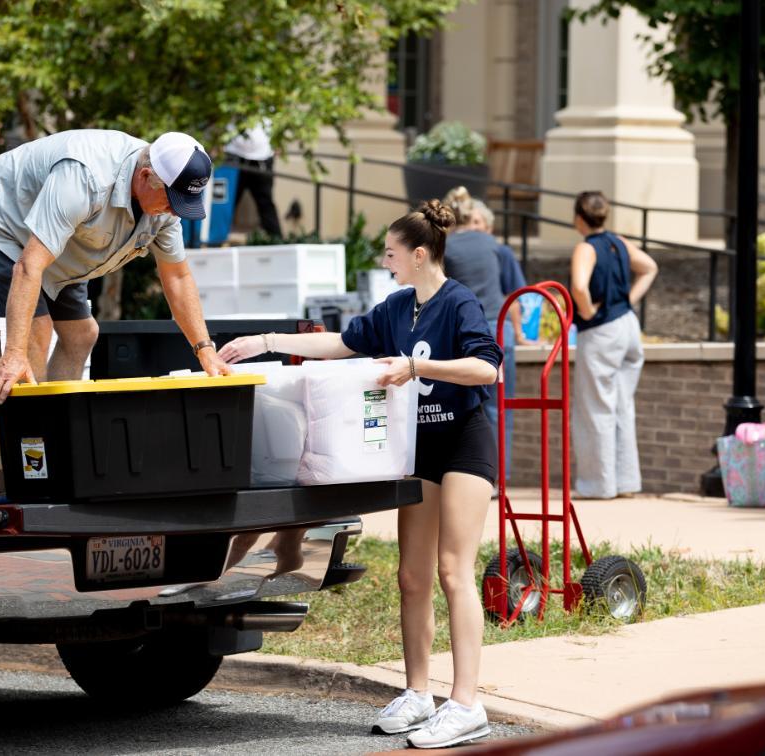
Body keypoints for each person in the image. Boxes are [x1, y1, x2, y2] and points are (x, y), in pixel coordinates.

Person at [218, 201, 502, 749]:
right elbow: (342, 343)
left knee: (452, 572)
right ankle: (419, 694)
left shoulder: (459, 303)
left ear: (419, 256)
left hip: (464, 444)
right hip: (417, 450)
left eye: (392, 254)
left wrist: (418, 367)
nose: (386, 261)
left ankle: (467, 703)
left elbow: (485, 368)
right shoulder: (397, 307)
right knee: (411, 577)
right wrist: (266, 343)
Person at [0, 129, 231, 403]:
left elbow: (178, 278)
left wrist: (204, 349)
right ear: (145, 177)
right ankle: (33, 442)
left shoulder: (164, 205)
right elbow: (29, 266)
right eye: (172, 202)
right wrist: (13, 353)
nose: (175, 212)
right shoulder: (85, 179)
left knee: (82, 335)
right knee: (37, 331)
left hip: (55, 238)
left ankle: (60, 429)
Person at [569, 191, 657, 499]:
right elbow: (649, 267)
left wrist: (589, 311)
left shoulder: (586, 247)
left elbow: (579, 286)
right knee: (622, 406)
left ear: (579, 217)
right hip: (628, 328)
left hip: (602, 332)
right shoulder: (618, 241)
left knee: (595, 408)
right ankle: (626, 482)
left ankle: (598, 485)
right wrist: (628, 301)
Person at [444, 186, 531, 480]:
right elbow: (513, 296)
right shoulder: (496, 247)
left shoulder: (446, 248)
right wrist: (518, 333)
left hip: (460, 334)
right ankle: (497, 478)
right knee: (499, 407)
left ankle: (465, 474)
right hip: (498, 331)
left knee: (461, 410)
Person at [224, 119, 282, 237]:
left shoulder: (272, 102)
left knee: (265, 202)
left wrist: (278, 143)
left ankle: (276, 240)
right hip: (234, 157)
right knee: (227, 202)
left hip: (262, 158)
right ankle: (216, 238)